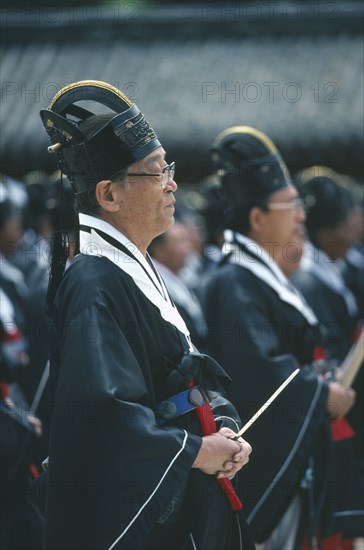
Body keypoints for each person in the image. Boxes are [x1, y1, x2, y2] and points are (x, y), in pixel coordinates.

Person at [35, 80, 254, 550]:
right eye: (157, 172)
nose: (173, 183)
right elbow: (105, 413)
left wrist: (223, 428)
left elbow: (187, 376)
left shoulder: (128, 270)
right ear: (110, 196)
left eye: (168, 167)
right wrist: (195, 450)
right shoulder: (94, 282)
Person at [203, 126, 355, 549]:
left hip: (300, 451)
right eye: (291, 206)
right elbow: (257, 371)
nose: (302, 216)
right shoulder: (233, 281)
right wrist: (320, 393)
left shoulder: (261, 279)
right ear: (257, 218)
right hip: (265, 460)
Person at [292, 168, 364, 541]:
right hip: (332, 409)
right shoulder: (308, 281)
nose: (357, 223)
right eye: (350, 216)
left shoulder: (336, 270)